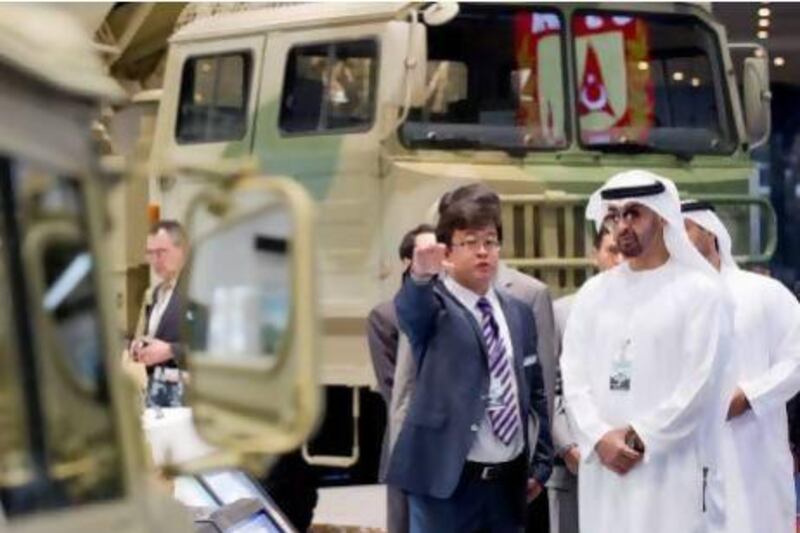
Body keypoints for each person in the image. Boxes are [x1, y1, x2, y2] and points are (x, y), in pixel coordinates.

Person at [560, 170, 727, 533]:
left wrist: (638, 436)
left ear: (663, 215)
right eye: (615, 215)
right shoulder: (593, 294)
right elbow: (572, 375)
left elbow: (699, 384)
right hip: (604, 471)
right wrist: (600, 437)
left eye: (634, 213)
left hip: (667, 468)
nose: (622, 225)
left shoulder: (699, 292)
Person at [387, 190, 553, 532]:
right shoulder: (434, 306)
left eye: (491, 242)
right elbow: (411, 311)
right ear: (447, 252)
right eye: (470, 242)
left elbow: (535, 391)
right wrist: (419, 275)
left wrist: (540, 462)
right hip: (448, 483)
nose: (483, 252)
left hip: (507, 483)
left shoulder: (517, 311)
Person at [683, 200, 800, 533]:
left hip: (754, 451)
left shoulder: (764, 292)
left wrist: (749, 395)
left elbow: (796, 358)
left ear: (710, 232)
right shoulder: (668, 300)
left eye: (685, 228)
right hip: (685, 455)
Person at [549, 224, 621, 533]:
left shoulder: (654, 312)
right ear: (596, 256)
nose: (619, 260)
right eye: (611, 251)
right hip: (574, 465)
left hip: (630, 459)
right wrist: (568, 448)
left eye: (624, 251)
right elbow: (549, 388)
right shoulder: (563, 312)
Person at [366, 223, 436, 533]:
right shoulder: (386, 316)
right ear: (408, 262)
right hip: (409, 440)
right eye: (425, 253)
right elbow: (393, 386)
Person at [131, 220, 189, 408]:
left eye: (161, 252)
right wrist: (140, 345)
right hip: (159, 396)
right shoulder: (155, 293)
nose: (155, 260)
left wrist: (170, 350)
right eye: (150, 253)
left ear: (182, 250)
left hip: (189, 399)